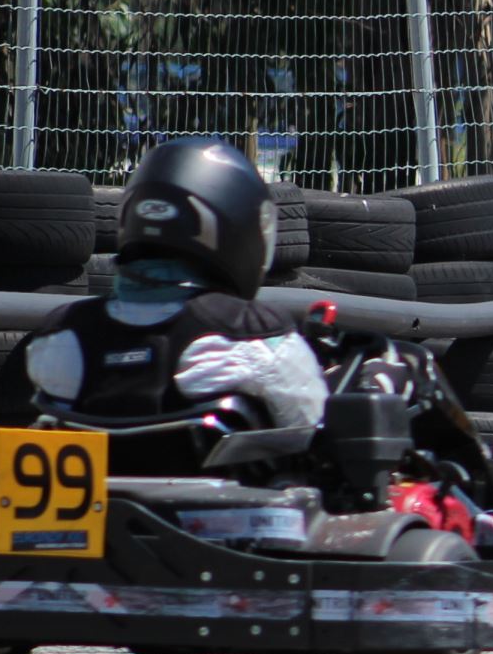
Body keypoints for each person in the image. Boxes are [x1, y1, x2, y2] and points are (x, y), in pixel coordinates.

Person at [23, 137, 327, 445]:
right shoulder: (254, 339)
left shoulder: (61, 337)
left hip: (93, 492)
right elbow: (314, 433)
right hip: (219, 491)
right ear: (237, 225)